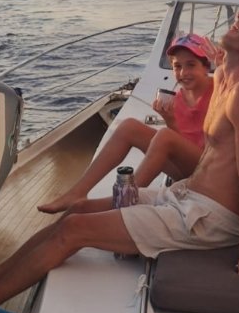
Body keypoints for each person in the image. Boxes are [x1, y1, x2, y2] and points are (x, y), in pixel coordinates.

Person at [0, 7, 239, 313]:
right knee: (75, 213)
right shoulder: (227, 76)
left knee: (75, 229)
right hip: (186, 195)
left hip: (208, 218)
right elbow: (226, 153)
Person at [38, 33, 216, 214]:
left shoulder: (219, 91)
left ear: (206, 67)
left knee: (164, 136)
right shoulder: (176, 99)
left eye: (191, 65)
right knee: (129, 126)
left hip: (212, 171)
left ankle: (127, 200)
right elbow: (180, 146)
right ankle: (77, 192)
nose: (183, 73)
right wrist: (170, 120)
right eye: (177, 66)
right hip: (187, 170)